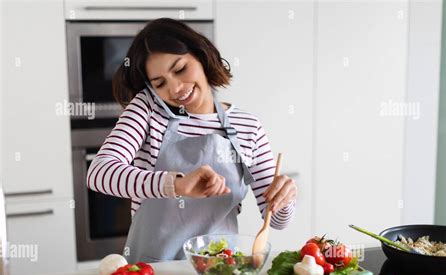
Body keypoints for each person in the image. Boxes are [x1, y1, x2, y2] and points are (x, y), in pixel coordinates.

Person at [86, 18, 297, 262]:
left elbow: (277, 221)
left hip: (219, 270)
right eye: (160, 83)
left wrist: (285, 198)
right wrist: (175, 185)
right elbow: (99, 173)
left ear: (201, 55)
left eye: (180, 69)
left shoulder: (247, 126)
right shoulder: (147, 109)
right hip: (153, 271)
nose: (175, 88)